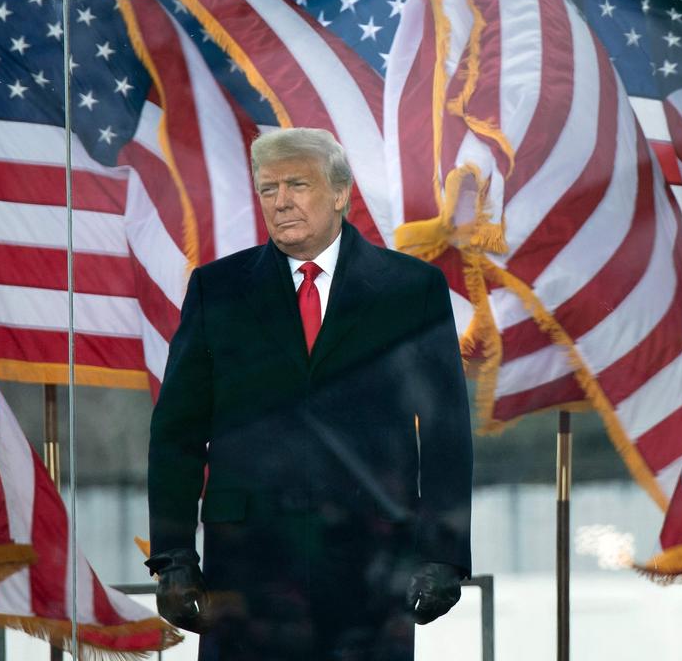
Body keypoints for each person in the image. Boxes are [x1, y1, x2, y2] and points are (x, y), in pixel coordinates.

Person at [145, 127, 472, 661]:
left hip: (371, 562)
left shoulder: (411, 290)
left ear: (340, 194)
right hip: (247, 568)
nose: (281, 202)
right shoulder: (217, 290)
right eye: (268, 189)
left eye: (297, 184)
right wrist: (173, 555)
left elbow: (446, 433)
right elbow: (177, 433)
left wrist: (443, 555)